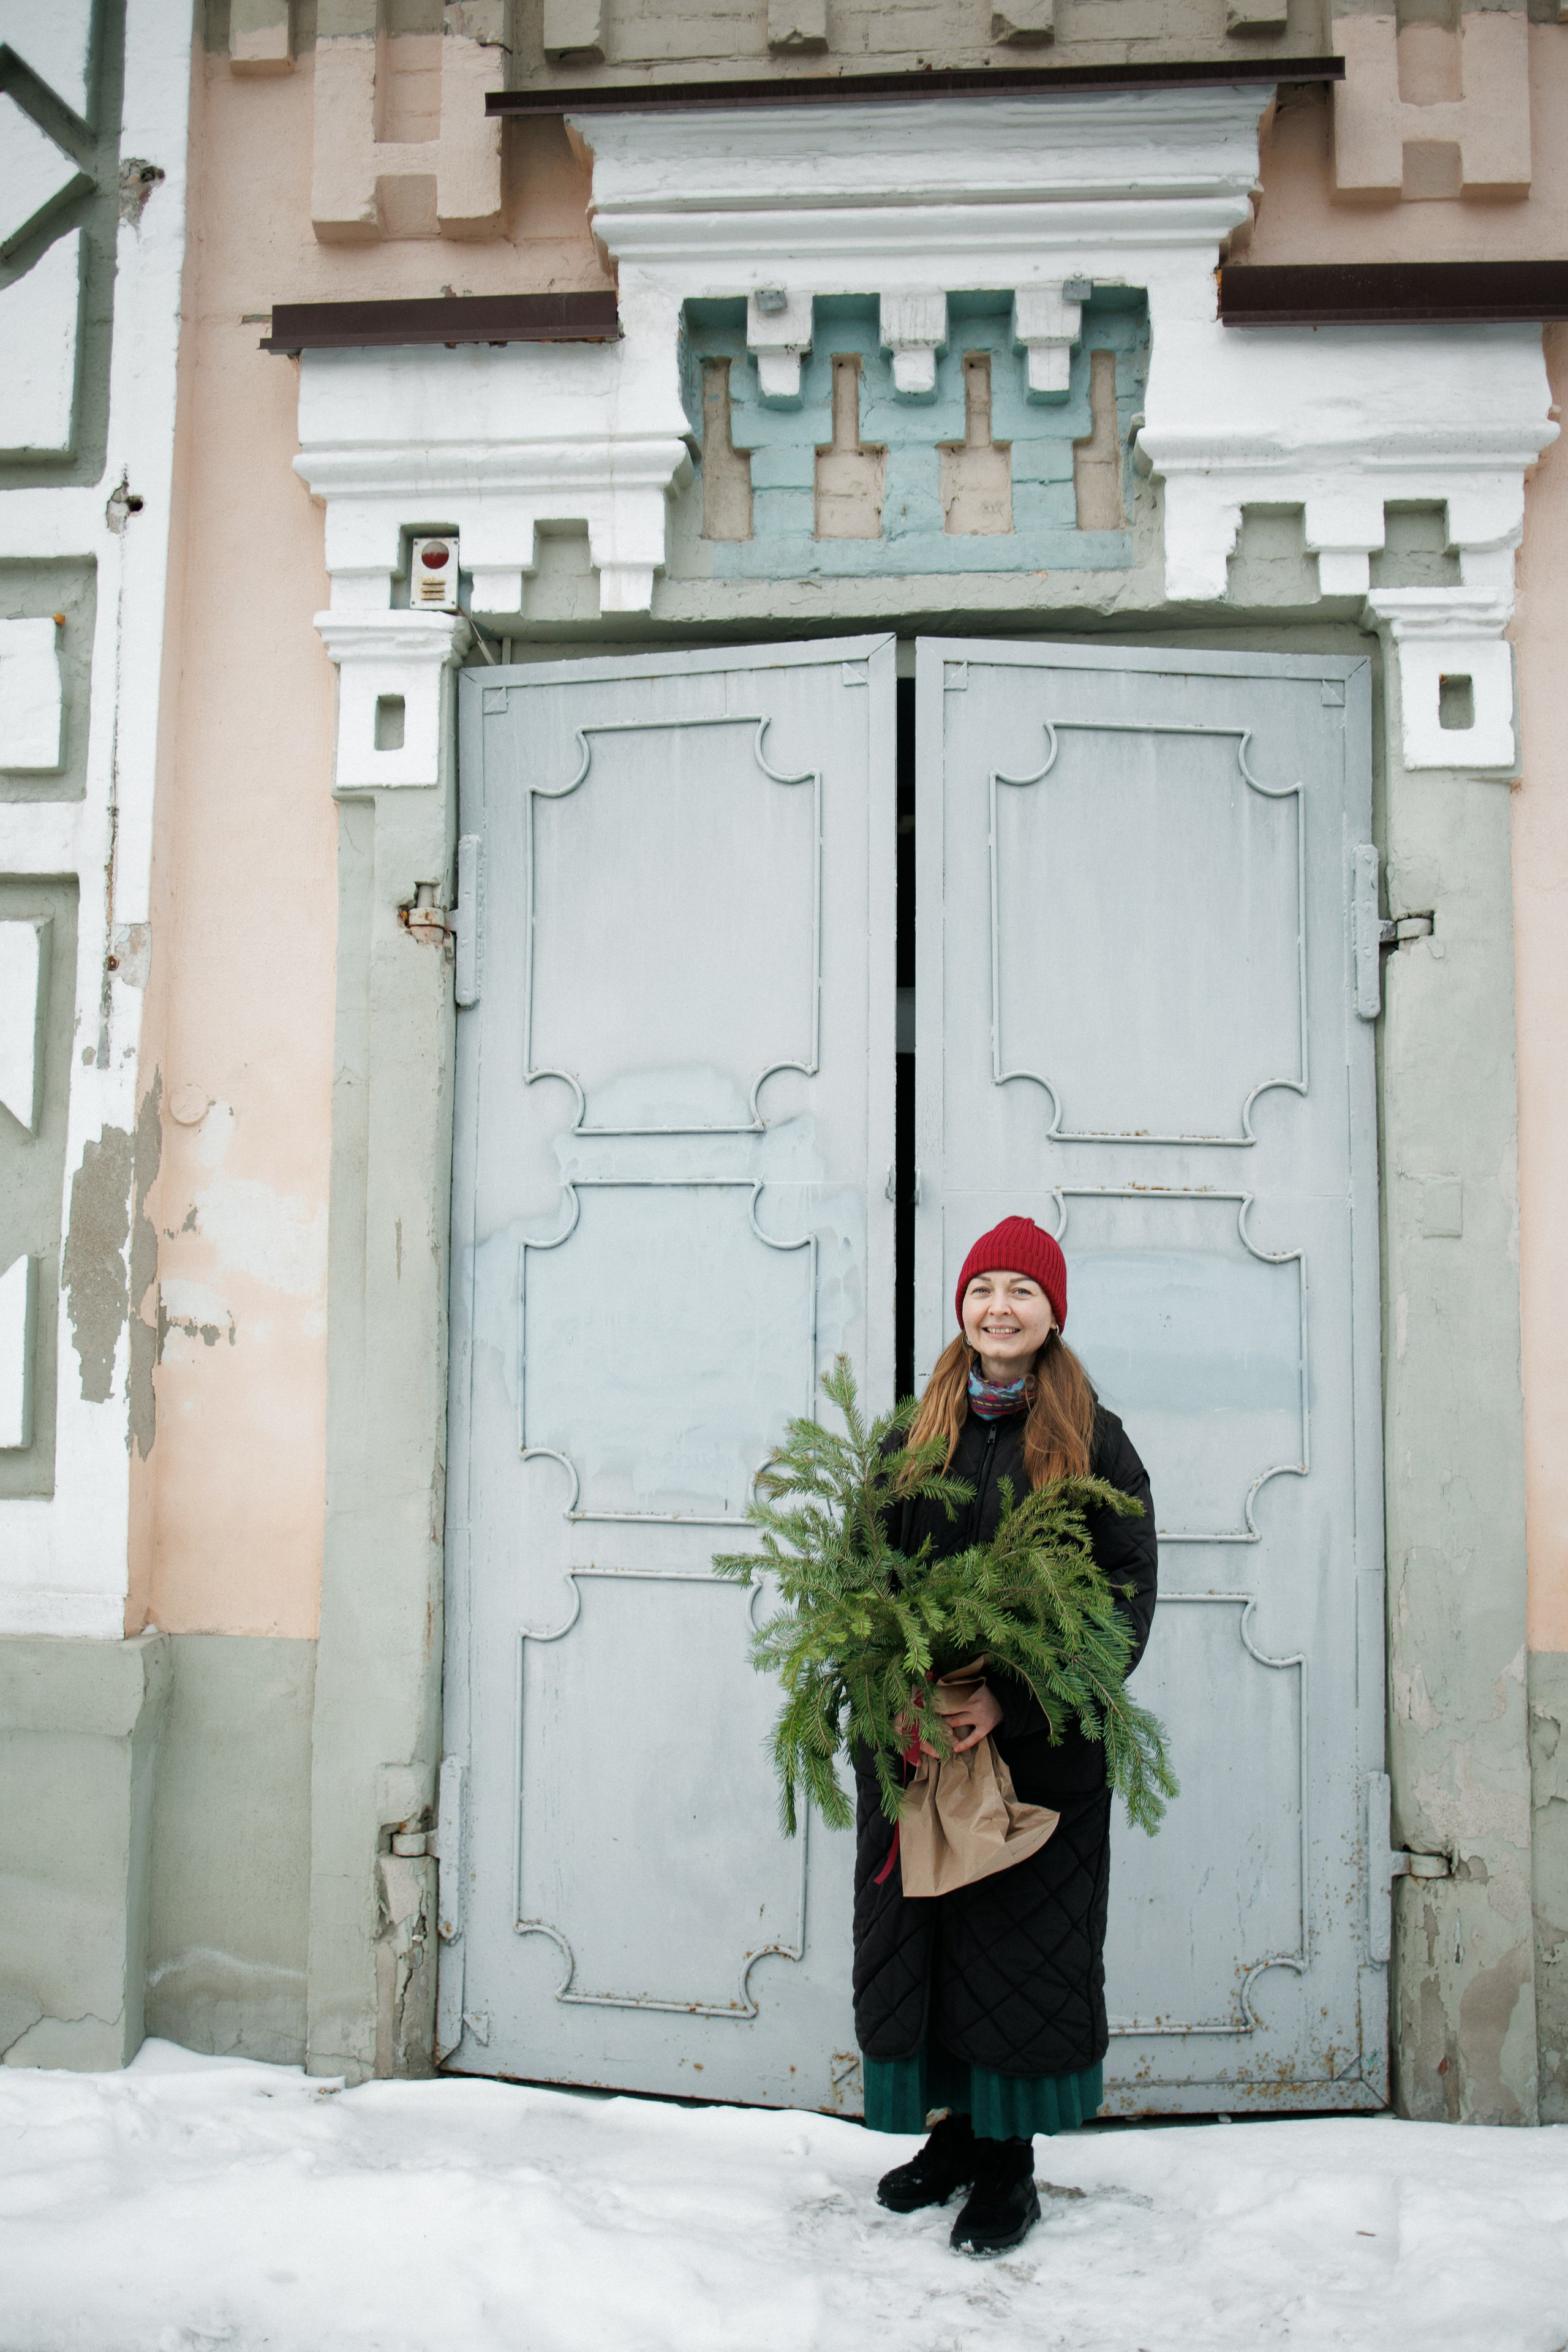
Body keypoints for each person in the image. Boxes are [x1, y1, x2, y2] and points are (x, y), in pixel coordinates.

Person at [855, 1215, 1158, 2256]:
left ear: (1051, 1312)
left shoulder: (1093, 1439)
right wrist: (891, 1687)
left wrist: (1014, 1705)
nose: (1000, 1307)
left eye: (1021, 1292)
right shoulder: (913, 1433)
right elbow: (863, 1577)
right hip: (919, 1746)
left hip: (1037, 1753)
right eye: (984, 1288)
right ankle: (952, 2139)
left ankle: (1009, 2165)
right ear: (962, 1308)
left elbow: (1125, 1596)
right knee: (927, 1938)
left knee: (1020, 1951)